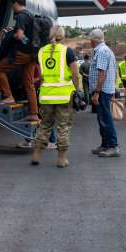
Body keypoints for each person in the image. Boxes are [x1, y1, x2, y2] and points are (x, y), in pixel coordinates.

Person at [31, 25, 81, 168]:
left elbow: (41, 75)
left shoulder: (41, 52)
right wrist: (76, 90)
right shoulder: (67, 51)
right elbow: (75, 75)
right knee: (63, 127)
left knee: (44, 125)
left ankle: (36, 155)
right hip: (64, 96)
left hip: (46, 95)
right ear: (62, 36)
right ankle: (61, 159)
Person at [0, 0, 38, 122]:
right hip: (33, 55)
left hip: (22, 53)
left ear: (16, 3)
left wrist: (11, 34)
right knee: (29, 83)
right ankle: (34, 113)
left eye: (12, 5)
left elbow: (19, 35)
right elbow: (29, 36)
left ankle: (8, 97)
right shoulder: (31, 15)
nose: (12, 8)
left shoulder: (21, 16)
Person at [88, 28, 120, 157]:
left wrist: (96, 92)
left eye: (90, 39)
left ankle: (112, 146)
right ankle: (105, 144)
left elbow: (102, 73)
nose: (89, 42)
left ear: (93, 40)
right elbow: (114, 72)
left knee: (105, 118)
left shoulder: (101, 51)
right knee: (102, 118)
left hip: (102, 91)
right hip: (106, 89)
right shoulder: (107, 50)